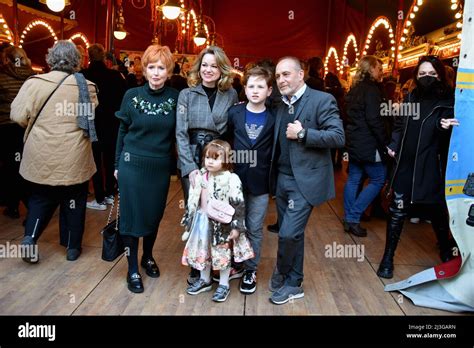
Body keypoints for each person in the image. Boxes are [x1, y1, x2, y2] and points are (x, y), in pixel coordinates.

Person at [10, 40, 98, 262]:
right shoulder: (87, 86)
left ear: (50, 59)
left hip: (41, 154)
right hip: (74, 156)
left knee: (41, 198)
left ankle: (30, 237)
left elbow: (17, 116)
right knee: (74, 199)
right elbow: (90, 117)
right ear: (76, 60)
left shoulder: (34, 83)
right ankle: (72, 248)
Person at [269, 57, 344, 304]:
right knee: (294, 233)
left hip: (306, 181)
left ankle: (282, 271)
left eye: (286, 74)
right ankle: (294, 281)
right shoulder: (279, 103)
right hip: (282, 179)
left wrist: (303, 134)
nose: (281, 80)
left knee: (288, 233)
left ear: (301, 74)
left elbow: (337, 137)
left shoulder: (322, 100)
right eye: (278, 76)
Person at [377, 55, 459, 279]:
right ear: (416, 76)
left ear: (440, 76)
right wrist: (393, 145)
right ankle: (388, 258)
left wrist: (445, 129)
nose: (427, 78)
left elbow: (451, 135)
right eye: (422, 74)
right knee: (396, 210)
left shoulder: (449, 101)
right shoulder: (411, 97)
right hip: (405, 163)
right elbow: (400, 125)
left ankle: (446, 249)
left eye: (432, 74)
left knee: (437, 211)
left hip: (430, 165)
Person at [114, 44, 179, 293]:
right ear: (144, 69)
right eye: (151, 67)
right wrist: (116, 163)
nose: (155, 73)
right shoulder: (131, 95)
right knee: (130, 218)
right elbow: (122, 130)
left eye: (161, 68)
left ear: (169, 71)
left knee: (153, 216)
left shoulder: (175, 98)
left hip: (160, 168)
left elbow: (179, 134)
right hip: (131, 165)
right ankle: (132, 268)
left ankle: (147, 256)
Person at [176, 45, 238, 285]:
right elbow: (180, 133)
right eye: (204, 65)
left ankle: (217, 263)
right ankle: (196, 264)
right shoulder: (187, 94)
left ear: (221, 69)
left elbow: (232, 132)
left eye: (213, 65)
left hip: (218, 158)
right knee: (195, 212)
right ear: (198, 67)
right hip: (192, 157)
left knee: (217, 213)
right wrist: (189, 167)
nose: (208, 70)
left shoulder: (231, 94)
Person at [181, 140, 252, 302]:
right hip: (201, 221)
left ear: (226, 160)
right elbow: (193, 200)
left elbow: (238, 204)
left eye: (216, 158)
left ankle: (224, 284)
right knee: (203, 251)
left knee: (222, 253)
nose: (210, 161)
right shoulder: (200, 176)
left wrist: (236, 227)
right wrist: (189, 220)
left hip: (222, 225)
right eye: (207, 157)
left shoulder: (231, 179)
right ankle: (205, 280)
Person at [226, 65, 275, 294]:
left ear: (269, 91)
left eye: (261, 86)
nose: (255, 90)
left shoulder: (274, 118)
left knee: (255, 227)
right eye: (251, 86)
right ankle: (236, 262)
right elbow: (226, 141)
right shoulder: (234, 113)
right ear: (244, 89)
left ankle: (250, 269)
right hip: (235, 180)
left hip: (261, 182)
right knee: (236, 224)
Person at [343, 56, 388, 237]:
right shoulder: (372, 90)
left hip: (354, 141)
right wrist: (385, 142)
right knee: (378, 179)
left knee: (354, 178)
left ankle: (349, 217)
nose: (381, 71)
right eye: (379, 68)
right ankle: (353, 217)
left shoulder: (354, 89)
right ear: (370, 69)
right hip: (368, 142)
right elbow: (374, 119)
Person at [82, 43, 127, 211]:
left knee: (94, 161)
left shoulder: (83, 76)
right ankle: (109, 193)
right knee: (109, 159)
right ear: (103, 57)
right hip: (112, 123)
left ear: (88, 56)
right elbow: (123, 99)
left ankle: (99, 197)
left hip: (91, 123)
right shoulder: (115, 76)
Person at [0, 46, 35, 219]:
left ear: (7, 59)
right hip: (26, 128)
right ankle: (26, 205)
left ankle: (16, 205)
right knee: (23, 165)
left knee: (10, 167)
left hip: (6, 127)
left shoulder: (2, 77)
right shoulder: (32, 78)